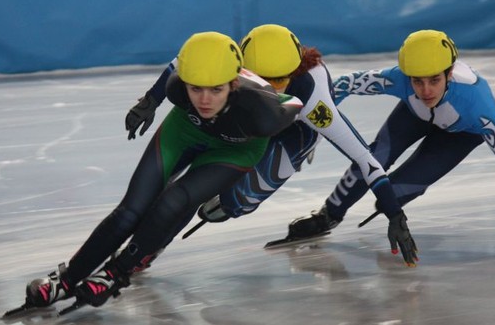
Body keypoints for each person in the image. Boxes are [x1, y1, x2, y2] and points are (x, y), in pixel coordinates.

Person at [21, 31, 304, 312]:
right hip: (186, 130)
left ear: (234, 82)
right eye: (196, 88)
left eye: (216, 89)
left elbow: (295, 102)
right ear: (185, 84)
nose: (205, 100)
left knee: (174, 200)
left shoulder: (264, 113)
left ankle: (116, 273)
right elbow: (177, 66)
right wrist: (150, 101)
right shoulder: (175, 88)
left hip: (235, 150)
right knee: (130, 211)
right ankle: (67, 279)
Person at [126, 24, 419, 267]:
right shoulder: (230, 63)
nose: (271, 89)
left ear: (295, 72)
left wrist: (395, 212)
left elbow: (361, 155)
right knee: (193, 185)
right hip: (244, 118)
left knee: (236, 203)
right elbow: (183, 61)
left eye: (280, 80)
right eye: (262, 79)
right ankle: (151, 248)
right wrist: (150, 101)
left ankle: (238, 198)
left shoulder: (313, 98)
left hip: (296, 130)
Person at [290, 29, 495, 255]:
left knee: (389, 198)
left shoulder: (478, 107)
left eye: (434, 80)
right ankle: (328, 215)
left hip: (460, 134)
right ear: (408, 77)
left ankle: (387, 198)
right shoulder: (399, 79)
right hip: (414, 114)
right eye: (417, 81)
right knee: (374, 157)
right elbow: (342, 85)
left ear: (449, 74)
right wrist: (315, 129)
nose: (426, 90)